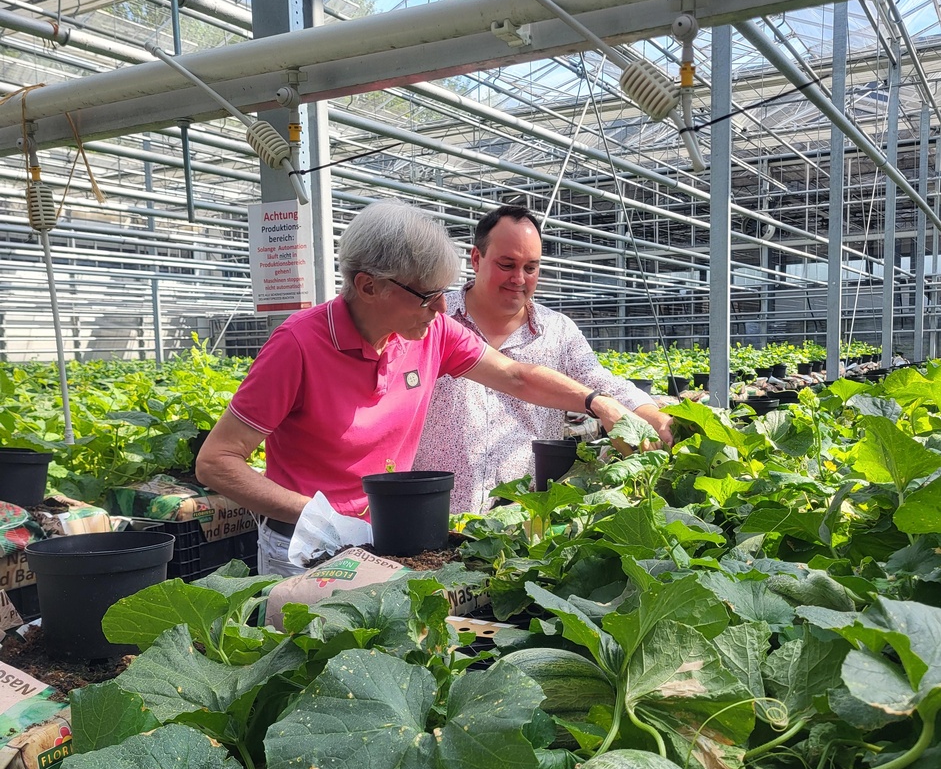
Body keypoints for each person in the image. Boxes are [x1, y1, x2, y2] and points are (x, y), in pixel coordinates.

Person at [195, 201, 661, 576]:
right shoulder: (298, 344)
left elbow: (516, 375)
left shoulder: (432, 333)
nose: (442, 307)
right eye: (426, 294)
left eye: (444, 291)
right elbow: (216, 462)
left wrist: (596, 401)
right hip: (304, 545)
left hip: (384, 536)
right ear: (368, 286)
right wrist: (326, 520)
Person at [413, 205, 672, 513]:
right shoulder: (431, 319)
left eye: (531, 267)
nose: (519, 279)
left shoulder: (557, 331)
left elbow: (601, 381)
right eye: (507, 264)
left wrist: (656, 419)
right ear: (476, 259)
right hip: (431, 514)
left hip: (525, 525)